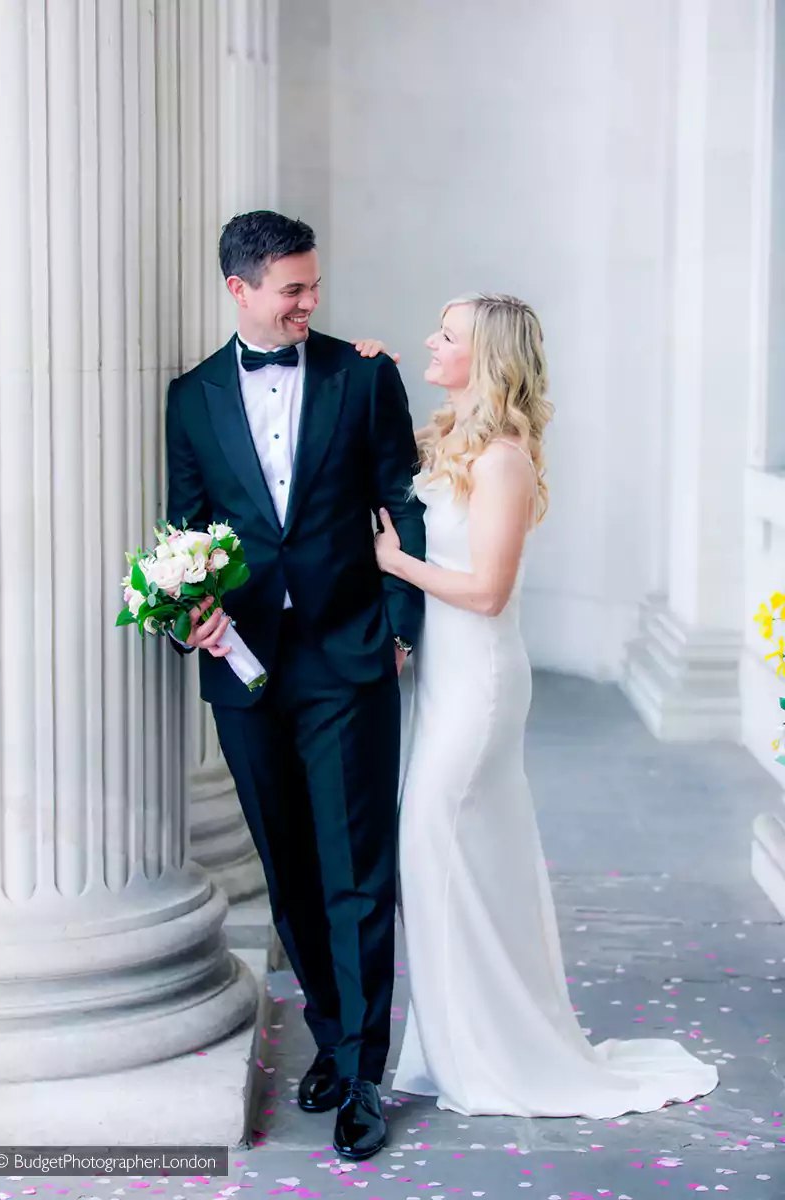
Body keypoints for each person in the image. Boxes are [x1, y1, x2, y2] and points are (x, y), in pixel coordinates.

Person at [374, 293, 719, 1117]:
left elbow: (488, 592)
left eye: (447, 335)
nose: (433, 338)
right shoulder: (455, 437)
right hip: (447, 680)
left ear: (483, 357)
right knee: (452, 863)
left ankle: (493, 1054)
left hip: (481, 684)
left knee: (436, 844)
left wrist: (394, 563)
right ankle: (462, 1044)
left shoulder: (503, 457)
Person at [166, 210, 425, 1159]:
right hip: (245, 670)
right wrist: (184, 611)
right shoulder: (190, 396)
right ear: (240, 289)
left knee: (357, 871)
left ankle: (362, 1071)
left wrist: (400, 629)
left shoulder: (365, 376)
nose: (311, 303)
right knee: (290, 871)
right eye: (293, 290)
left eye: (314, 286)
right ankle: (329, 1029)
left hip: (350, 658)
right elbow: (183, 526)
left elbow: (402, 497)